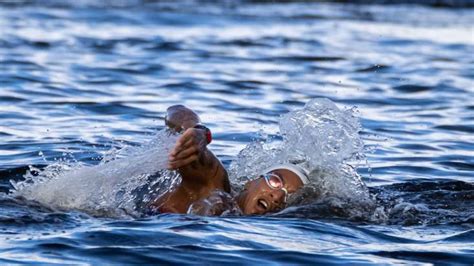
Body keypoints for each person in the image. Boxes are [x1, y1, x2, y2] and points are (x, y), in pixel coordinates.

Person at [149, 105, 310, 215]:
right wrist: (198, 132)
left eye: (288, 197)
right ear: (250, 182)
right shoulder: (215, 186)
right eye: (276, 182)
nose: (278, 197)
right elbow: (177, 111)